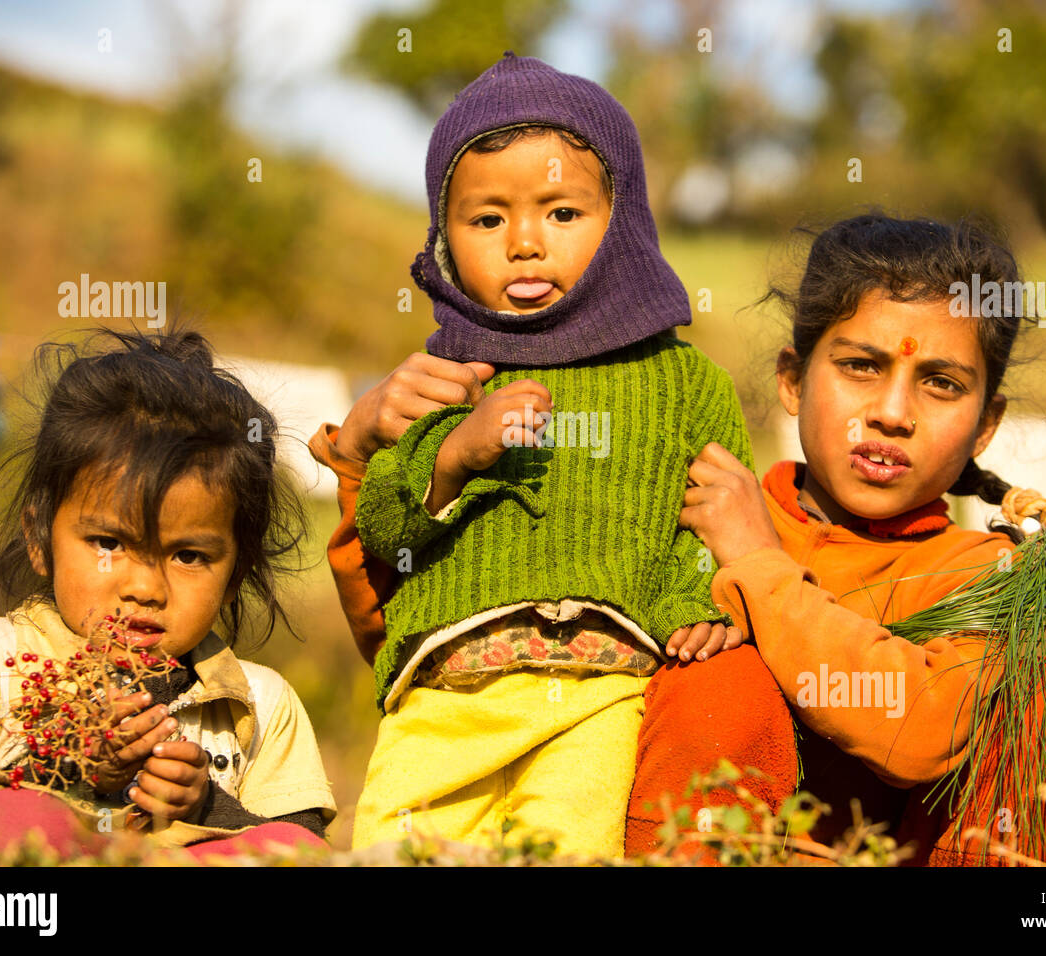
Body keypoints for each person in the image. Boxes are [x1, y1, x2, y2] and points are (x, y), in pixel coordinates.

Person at [308, 53, 752, 858]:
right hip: (442, 691)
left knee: (564, 847)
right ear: (443, 238)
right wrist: (452, 459)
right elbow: (383, 531)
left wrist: (695, 606)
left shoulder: (688, 383)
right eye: (486, 220)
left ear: (622, 221)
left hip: (601, 691)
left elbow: (712, 526)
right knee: (392, 846)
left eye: (561, 213)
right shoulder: (440, 377)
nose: (523, 244)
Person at [627, 213, 1046, 865]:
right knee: (719, 677)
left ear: (986, 424)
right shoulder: (708, 516)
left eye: (941, 384)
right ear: (792, 378)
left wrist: (758, 566)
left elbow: (918, 732)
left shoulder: (991, 577)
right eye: (861, 366)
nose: (893, 414)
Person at [0, 327, 336, 865]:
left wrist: (203, 807)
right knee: (12, 820)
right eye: (108, 543)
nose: (144, 588)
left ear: (234, 575)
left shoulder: (261, 704)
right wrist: (65, 770)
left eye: (188, 556)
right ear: (40, 540)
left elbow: (302, 849)